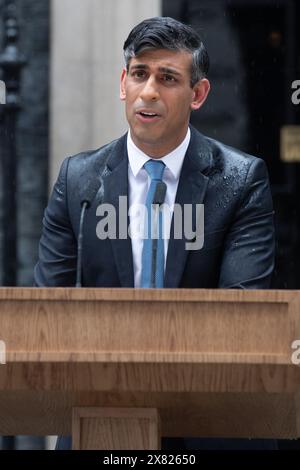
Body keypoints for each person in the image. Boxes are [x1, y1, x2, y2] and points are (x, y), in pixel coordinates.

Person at [34, 17, 276, 449]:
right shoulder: (78, 181)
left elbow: (242, 322)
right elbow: (47, 315)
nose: (149, 92)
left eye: (167, 78)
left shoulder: (241, 180)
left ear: (198, 94)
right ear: (122, 82)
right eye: (140, 74)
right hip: (102, 418)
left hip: (210, 422)